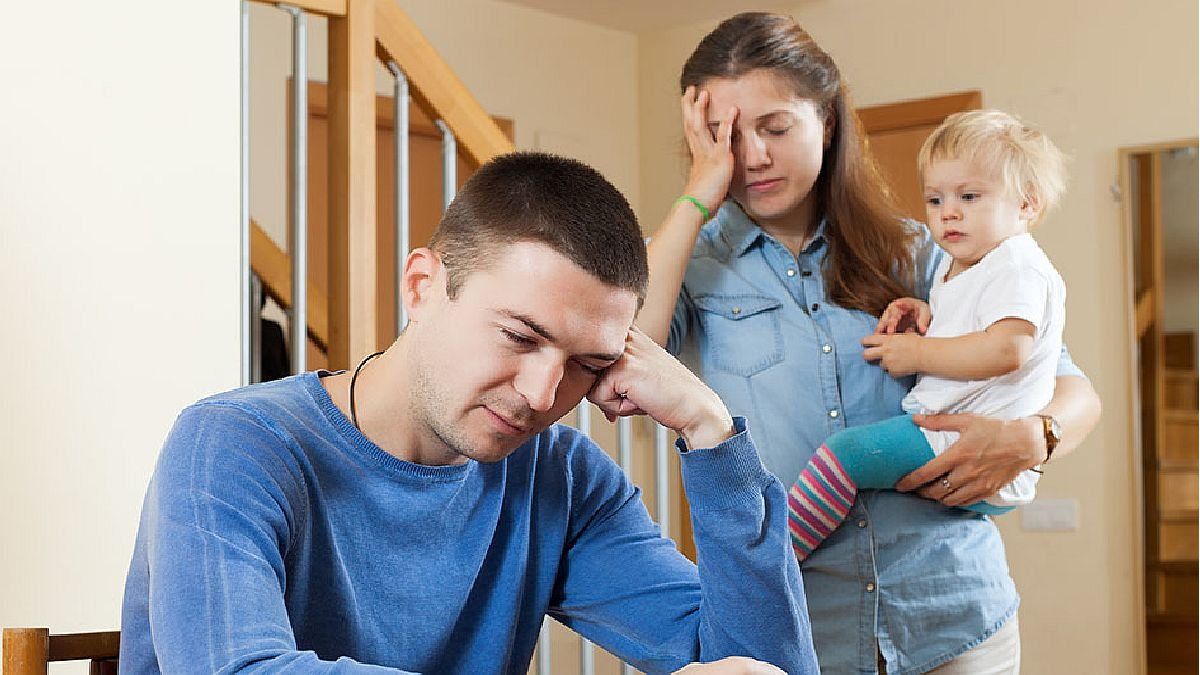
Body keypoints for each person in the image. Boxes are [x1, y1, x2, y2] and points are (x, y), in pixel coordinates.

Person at [119, 152, 818, 675]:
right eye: (520, 335)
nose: (544, 394)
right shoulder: (233, 444)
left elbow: (762, 666)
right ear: (423, 285)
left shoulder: (562, 477)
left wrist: (712, 431)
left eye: (588, 362)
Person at [637, 12, 1101, 674]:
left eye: (774, 128)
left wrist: (1039, 435)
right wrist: (697, 194)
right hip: (796, 635)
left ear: (825, 121)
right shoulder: (690, 267)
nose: (755, 156)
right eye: (727, 137)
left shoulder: (924, 251)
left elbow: (1073, 385)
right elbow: (633, 348)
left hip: (953, 616)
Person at [786, 110, 1068, 560]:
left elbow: (1007, 349)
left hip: (962, 442)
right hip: (959, 445)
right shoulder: (968, 266)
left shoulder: (1016, 264)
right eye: (935, 200)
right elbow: (974, 327)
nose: (948, 212)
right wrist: (926, 312)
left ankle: (777, 562)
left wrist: (918, 352)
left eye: (970, 196)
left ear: (1026, 205)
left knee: (843, 455)